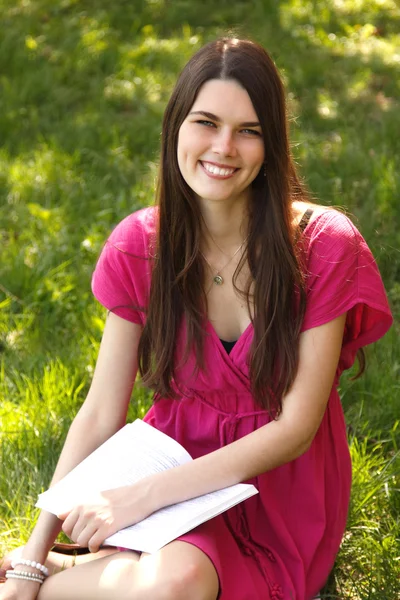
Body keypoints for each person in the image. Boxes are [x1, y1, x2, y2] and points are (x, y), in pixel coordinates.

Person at [0, 37, 393, 600]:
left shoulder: (324, 245)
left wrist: (142, 497)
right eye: (206, 122)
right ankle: (56, 576)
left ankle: (81, 576)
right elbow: (99, 412)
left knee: (170, 585)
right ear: (176, 129)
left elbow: (295, 428)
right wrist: (29, 562)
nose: (224, 147)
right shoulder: (141, 245)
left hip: (277, 491)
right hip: (174, 455)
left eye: (249, 130)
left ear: (272, 144)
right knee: (172, 581)